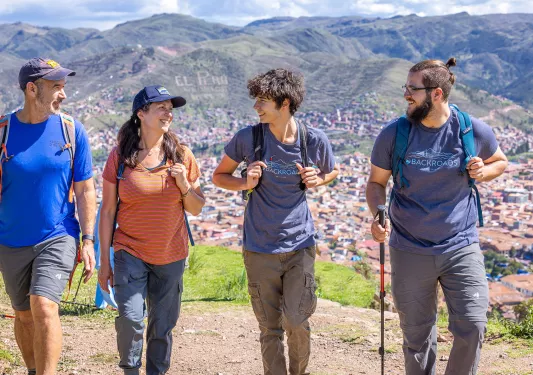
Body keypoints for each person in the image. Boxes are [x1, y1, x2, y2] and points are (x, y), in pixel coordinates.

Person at [366, 58, 508, 374]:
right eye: (406, 87)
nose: (406, 94)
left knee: (472, 326)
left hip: (461, 245)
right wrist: (378, 213)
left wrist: (484, 171)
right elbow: (376, 183)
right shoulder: (394, 134)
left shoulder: (471, 129)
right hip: (409, 247)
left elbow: (500, 160)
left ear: (437, 94)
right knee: (417, 338)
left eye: (412, 89)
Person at [212, 68, 339, 375]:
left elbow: (333, 171)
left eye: (263, 100)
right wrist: (245, 183)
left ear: (285, 103)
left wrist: (318, 179)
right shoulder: (248, 138)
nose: (257, 106)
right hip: (259, 246)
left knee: (297, 320)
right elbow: (219, 176)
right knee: (269, 328)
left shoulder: (312, 140)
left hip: (299, 244)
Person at [97, 85, 205, 375]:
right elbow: (107, 211)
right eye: (161, 107)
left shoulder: (182, 155)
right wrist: (104, 263)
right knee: (131, 318)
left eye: (170, 107)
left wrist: (184, 185)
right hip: (129, 251)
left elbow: (196, 207)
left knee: (162, 325)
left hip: (171, 254)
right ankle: (130, 370)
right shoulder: (120, 157)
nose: (168, 112)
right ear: (141, 113)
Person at [0, 58, 96, 375]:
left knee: (44, 306)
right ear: (31, 89)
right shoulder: (4, 132)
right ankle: (32, 370)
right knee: (23, 314)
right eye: (56, 87)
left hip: (57, 235)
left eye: (63, 87)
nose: (63, 95)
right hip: (10, 240)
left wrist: (88, 240)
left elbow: (84, 190)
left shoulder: (71, 130)